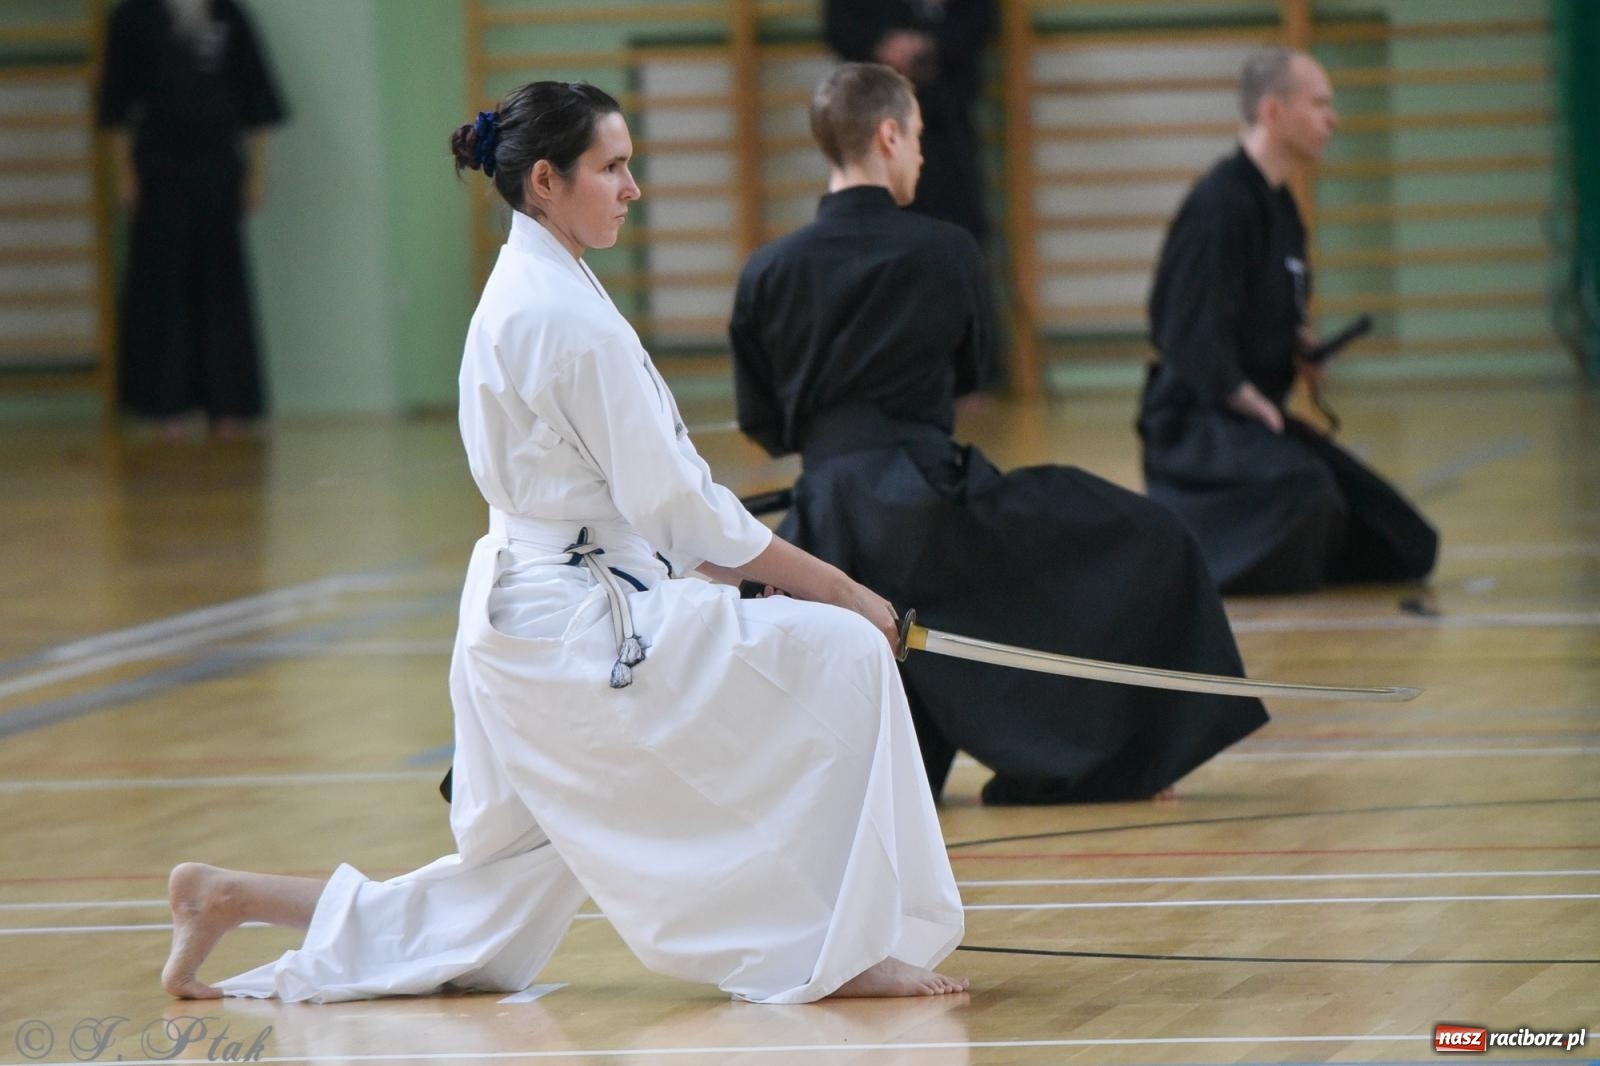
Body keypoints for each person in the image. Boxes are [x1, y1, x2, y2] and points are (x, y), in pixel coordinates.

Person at [159, 81, 967, 1005]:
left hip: (532, 614)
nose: (633, 188)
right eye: (612, 168)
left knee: (498, 913)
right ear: (545, 180)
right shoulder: (560, 317)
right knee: (847, 659)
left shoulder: (534, 285)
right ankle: (846, 949)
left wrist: (750, 574)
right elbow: (685, 513)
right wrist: (840, 591)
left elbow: (660, 512)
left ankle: (231, 896)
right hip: (575, 625)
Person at [730, 63, 1267, 807]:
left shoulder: (765, 270)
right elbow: (968, 372)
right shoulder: (947, 249)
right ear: (888, 136)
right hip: (922, 503)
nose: (922, 154)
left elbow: (761, 418)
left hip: (823, 527)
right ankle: (1108, 756)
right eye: (917, 137)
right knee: (1144, 537)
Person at [1138, 48, 1439, 594]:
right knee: (1308, 493)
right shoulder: (1219, 205)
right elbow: (1184, 331)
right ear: (1274, 112)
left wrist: (1298, 346)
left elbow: (1264, 312)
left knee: (1406, 541)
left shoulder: (1281, 207)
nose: (1333, 119)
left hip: (1250, 422)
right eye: (1320, 104)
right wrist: (1246, 398)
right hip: (1195, 426)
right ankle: (1175, 552)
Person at [96, 0, 286, 437]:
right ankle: (167, 405)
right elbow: (115, 108)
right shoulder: (132, 19)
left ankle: (230, 406)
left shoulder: (227, 16)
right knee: (162, 285)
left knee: (222, 284)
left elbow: (259, 101)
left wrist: (258, 171)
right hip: (158, 169)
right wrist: (124, 174)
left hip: (218, 166)